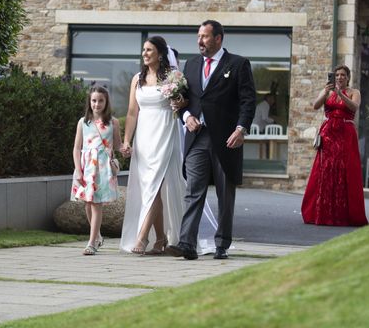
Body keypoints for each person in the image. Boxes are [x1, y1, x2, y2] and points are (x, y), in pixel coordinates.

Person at [119, 36, 217, 255]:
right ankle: (161, 237)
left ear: (160, 54)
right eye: (143, 49)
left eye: (149, 50)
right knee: (149, 187)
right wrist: (127, 140)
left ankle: (142, 238)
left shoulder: (172, 78)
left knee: (155, 184)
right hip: (144, 135)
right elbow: (132, 113)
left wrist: (179, 102)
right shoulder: (137, 79)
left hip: (165, 132)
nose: (145, 53)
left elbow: (184, 103)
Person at [166, 20, 256, 260]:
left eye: (205, 36)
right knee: (193, 190)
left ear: (218, 39)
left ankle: (221, 244)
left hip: (227, 139)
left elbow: (248, 101)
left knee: (225, 195)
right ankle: (187, 243)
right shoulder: (191, 64)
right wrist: (186, 116)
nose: (200, 41)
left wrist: (241, 129)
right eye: (198, 36)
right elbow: (182, 100)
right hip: (197, 137)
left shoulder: (237, 64)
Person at [301, 65, 368, 226]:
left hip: (346, 134)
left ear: (348, 77)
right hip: (329, 134)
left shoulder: (354, 92)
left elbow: (354, 107)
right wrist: (325, 92)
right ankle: (321, 213)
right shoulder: (327, 91)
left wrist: (340, 94)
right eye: (337, 75)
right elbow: (315, 106)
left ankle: (343, 214)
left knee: (345, 170)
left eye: (343, 75)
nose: (339, 77)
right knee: (325, 170)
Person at [71, 85, 121, 255]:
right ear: (89, 102)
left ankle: (91, 243)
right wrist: (78, 170)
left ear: (106, 102)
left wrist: (127, 149)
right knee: (87, 203)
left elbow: (119, 145)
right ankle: (98, 236)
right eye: (94, 100)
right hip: (86, 167)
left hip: (102, 168)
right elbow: (77, 148)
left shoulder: (113, 122)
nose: (97, 104)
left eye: (101, 101)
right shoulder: (83, 122)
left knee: (96, 204)